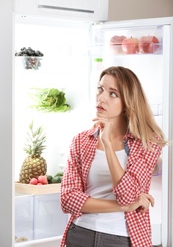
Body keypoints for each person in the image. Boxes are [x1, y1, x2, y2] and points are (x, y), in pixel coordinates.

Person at [60, 66, 167, 247]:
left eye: (113, 94)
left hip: (121, 238)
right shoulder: (81, 141)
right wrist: (122, 207)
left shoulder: (147, 143)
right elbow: (68, 199)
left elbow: (127, 195)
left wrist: (108, 145)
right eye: (100, 89)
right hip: (80, 233)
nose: (101, 98)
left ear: (128, 102)